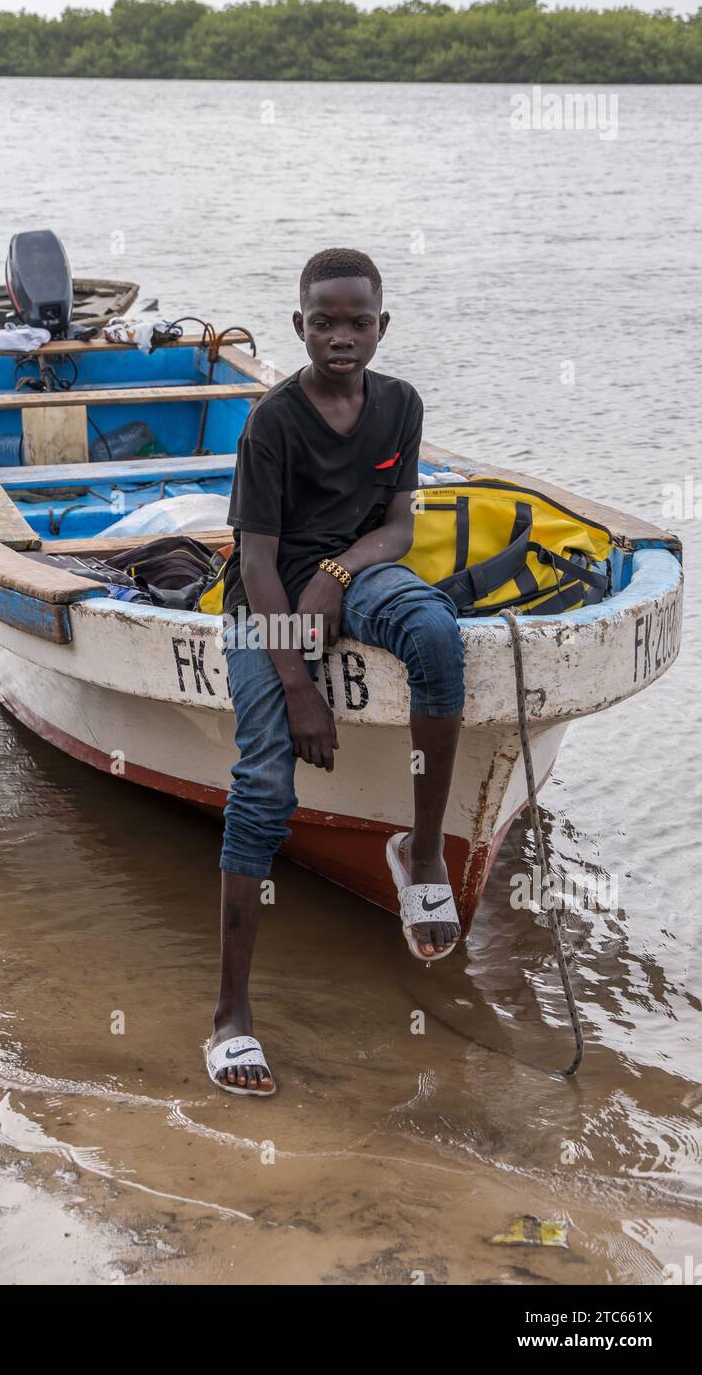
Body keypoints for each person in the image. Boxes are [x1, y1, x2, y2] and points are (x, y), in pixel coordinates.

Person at [205, 248, 465, 1097]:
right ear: (298, 327)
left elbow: (396, 528)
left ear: (382, 327)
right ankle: (231, 1019)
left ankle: (420, 855)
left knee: (434, 633)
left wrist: (341, 575)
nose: (342, 337)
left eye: (359, 322)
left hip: (349, 574)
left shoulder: (400, 406)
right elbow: (254, 563)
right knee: (264, 781)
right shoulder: (272, 422)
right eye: (325, 322)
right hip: (271, 597)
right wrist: (298, 685)